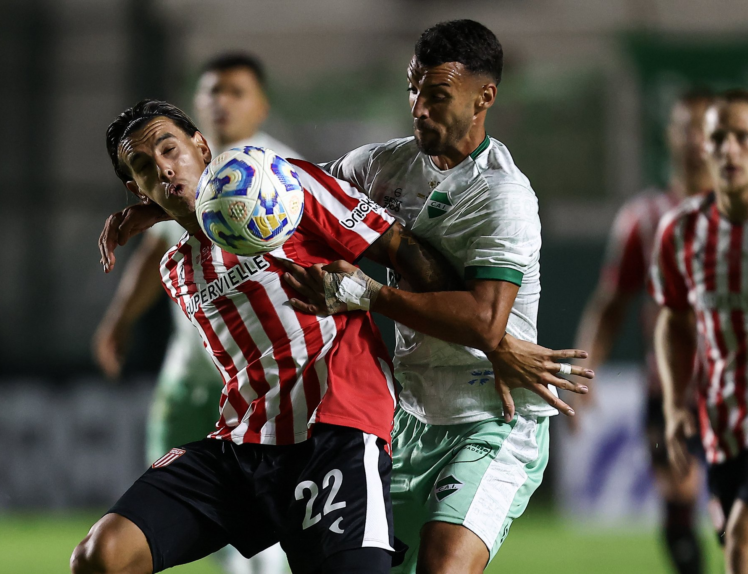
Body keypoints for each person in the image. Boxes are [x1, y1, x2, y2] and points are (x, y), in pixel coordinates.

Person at [77, 99, 588, 574]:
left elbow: (405, 253)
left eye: (169, 149)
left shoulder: (285, 190)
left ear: (202, 146)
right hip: (241, 447)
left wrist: (494, 341)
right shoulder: (176, 268)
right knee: (102, 555)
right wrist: (165, 211)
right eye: (144, 167)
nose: (164, 168)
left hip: (335, 437)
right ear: (137, 188)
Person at [278, 19, 593, 574]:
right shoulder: (381, 166)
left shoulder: (503, 196)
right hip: (409, 415)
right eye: (413, 89)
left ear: (484, 98)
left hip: (493, 417)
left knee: (444, 566)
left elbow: (483, 321)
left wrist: (368, 294)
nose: (419, 108)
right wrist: (176, 198)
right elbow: (287, 194)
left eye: (437, 95)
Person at [92, 54, 298, 574]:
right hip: (189, 377)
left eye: (235, 91)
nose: (220, 102)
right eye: (211, 92)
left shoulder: (276, 170)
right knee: (175, 515)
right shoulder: (171, 172)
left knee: (260, 526)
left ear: (261, 105)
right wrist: (120, 319)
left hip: (266, 384)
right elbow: (155, 252)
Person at [573, 91, 713, 574]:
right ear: (671, 136)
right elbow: (611, 303)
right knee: (678, 501)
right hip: (669, 391)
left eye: (706, 129)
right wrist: (585, 368)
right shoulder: (644, 216)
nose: (695, 140)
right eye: (685, 127)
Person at [652, 90, 748, 574]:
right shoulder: (681, 231)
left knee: (741, 544)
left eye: (743, 137)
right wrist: (673, 405)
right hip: (722, 428)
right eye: (719, 138)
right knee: (731, 537)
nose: (730, 150)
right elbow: (673, 320)